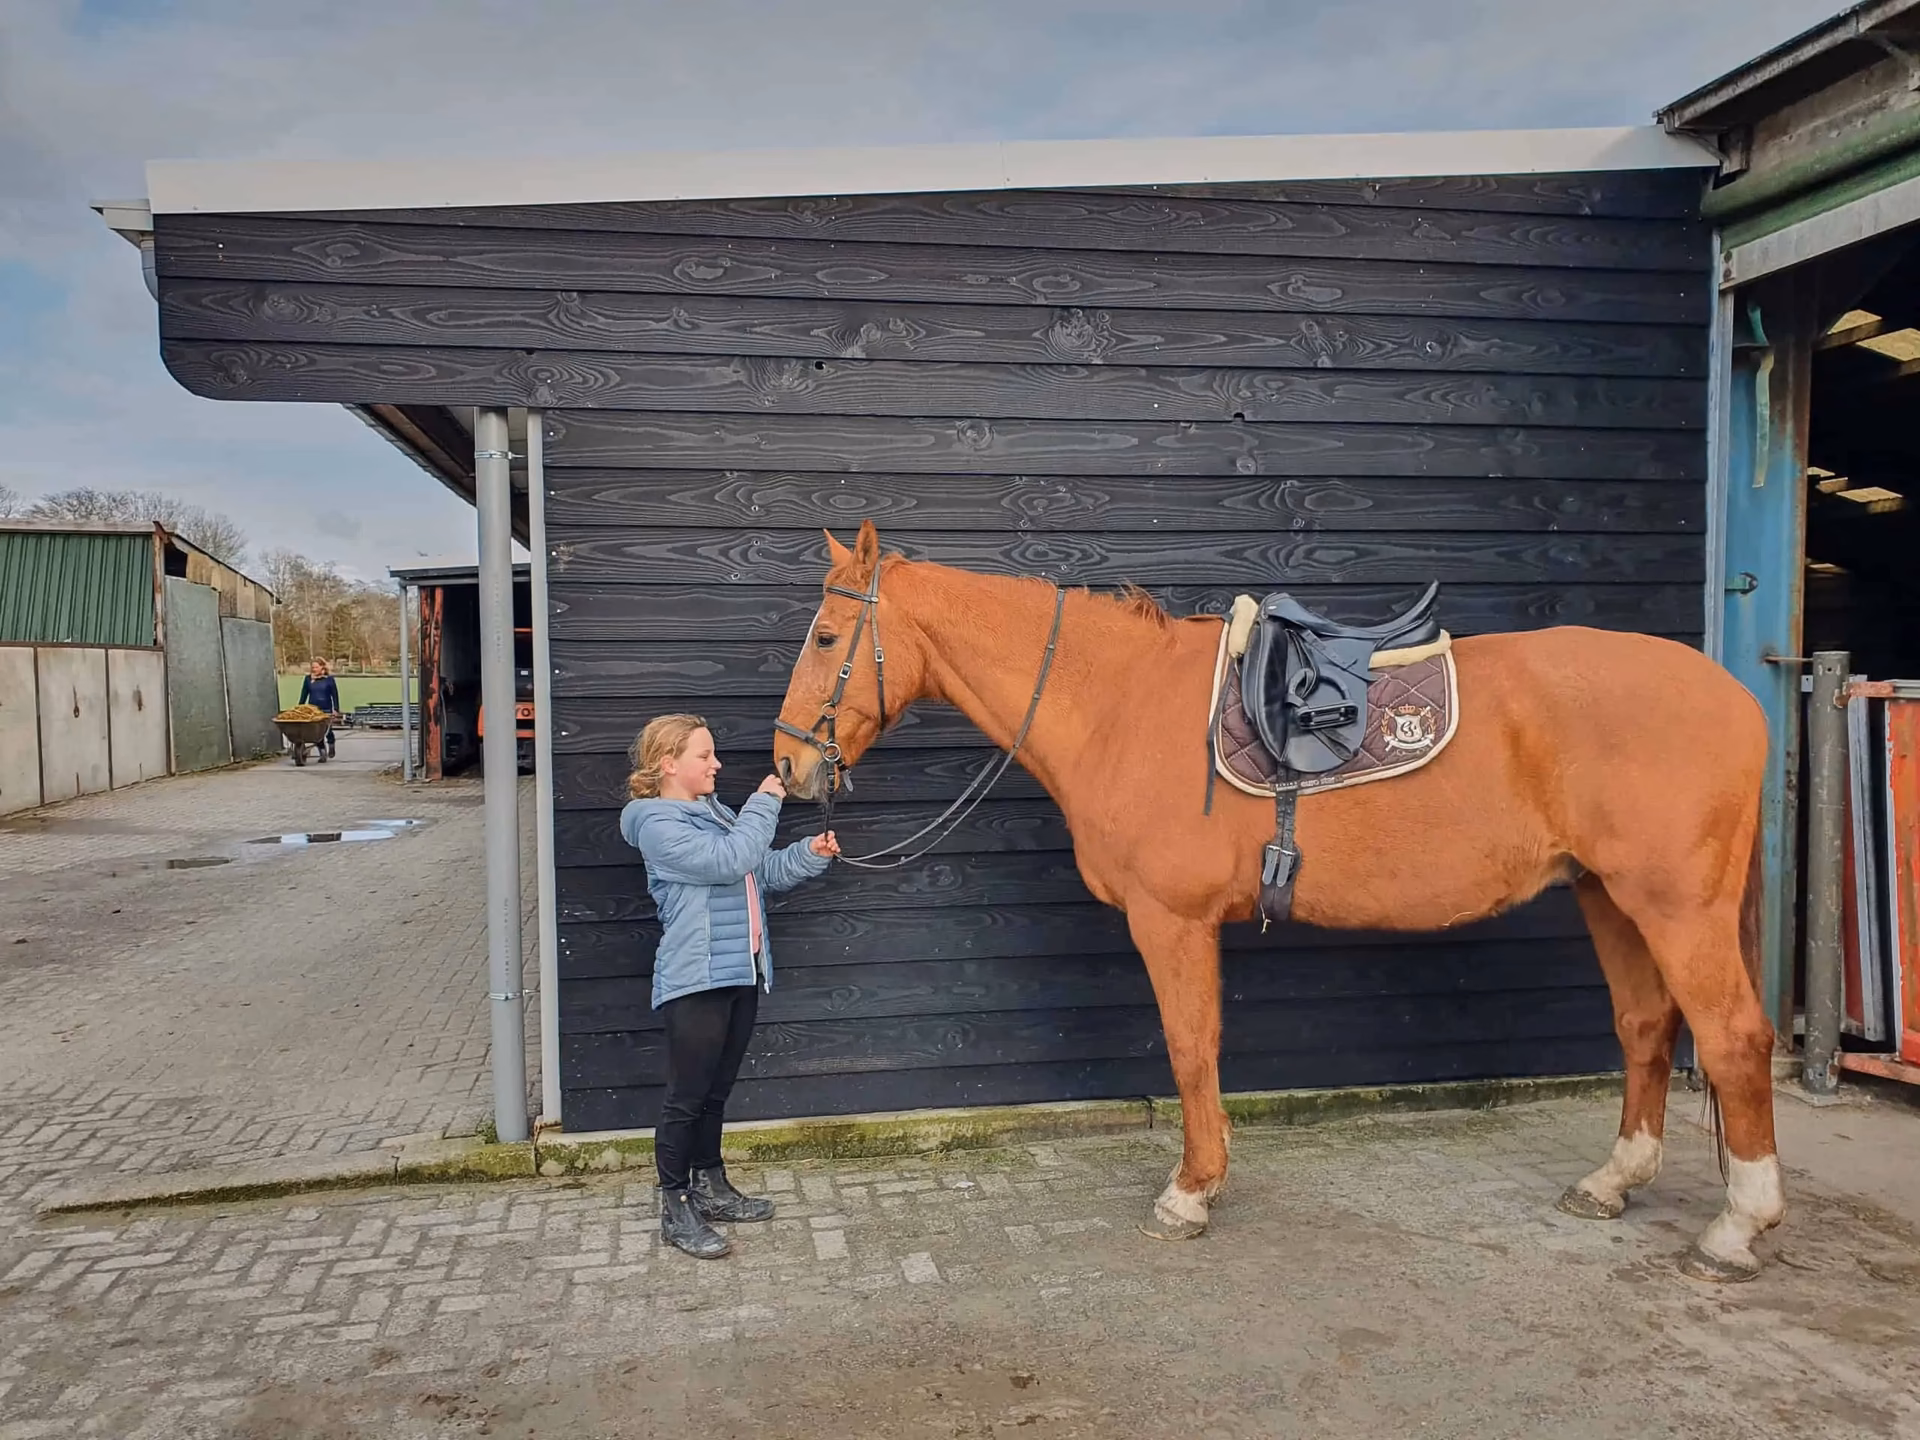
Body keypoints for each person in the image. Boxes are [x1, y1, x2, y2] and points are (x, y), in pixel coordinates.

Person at [620, 714, 840, 1259]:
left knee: (714, 1093)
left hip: (740, 971)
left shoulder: (712, 813)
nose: (716, 764)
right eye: (704, 755)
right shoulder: (655, 823)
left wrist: (808, 854)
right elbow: (729, 860)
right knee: (686, 1098)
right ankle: (675, 1206)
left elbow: (756, 872)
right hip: (697, 978)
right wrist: (765, 802)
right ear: (668, 764)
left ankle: (712, 1186)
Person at [297, 659, 341, 757]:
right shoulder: (308, 679)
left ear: (322, 667)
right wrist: (299, 708)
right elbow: (304, 694)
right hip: (313, 709)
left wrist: (336, 708)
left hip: (326, 708)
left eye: (316, 667)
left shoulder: (329, 679)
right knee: (316, 732)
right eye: (313, 667)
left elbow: (334, 695)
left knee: (327, 730)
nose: (314, 669)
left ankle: (331, 744)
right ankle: (322, 751)